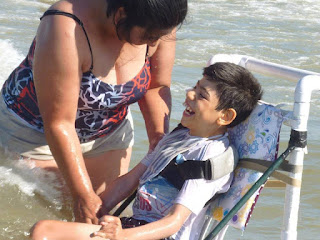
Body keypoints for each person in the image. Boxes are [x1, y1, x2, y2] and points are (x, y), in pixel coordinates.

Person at [0, 0, 188, 224]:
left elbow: (156, 85)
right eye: (150, 37)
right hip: (37, 135)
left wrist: (158, 138)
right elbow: (59, 123)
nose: (155, 42)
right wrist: (82, 194)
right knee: (55, 217)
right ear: (121, 14)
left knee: (100, 219)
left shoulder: (160, 17)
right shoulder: (65, 26)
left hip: (110, 131)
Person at [30, 62, 263, 240]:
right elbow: (130, 180)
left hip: (162, 236)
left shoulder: (209, 159)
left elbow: (173, 223)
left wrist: (119, 235)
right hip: (136, 227)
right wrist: (94, 209)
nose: (189, 94)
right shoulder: (178, 137)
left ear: (225, 116)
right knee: (53, 228)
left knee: (44, 232)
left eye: (201, 95)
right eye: (195, 87)